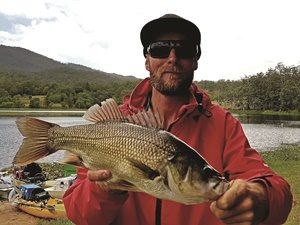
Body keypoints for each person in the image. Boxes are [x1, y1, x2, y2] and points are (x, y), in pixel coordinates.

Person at [63, 14, 293, 225]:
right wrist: (105, 190)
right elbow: (80, 215)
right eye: (160, 49)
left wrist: (261, 198)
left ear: (195, 60)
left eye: (183, 50)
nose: (172, 58)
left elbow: (277, 193)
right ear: (147, 60)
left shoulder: (223, 124)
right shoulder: (115, 125)